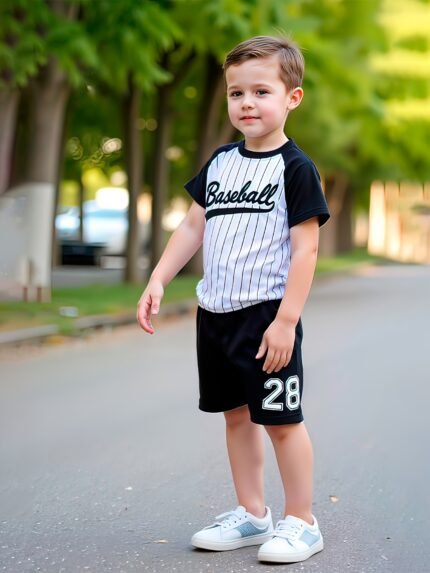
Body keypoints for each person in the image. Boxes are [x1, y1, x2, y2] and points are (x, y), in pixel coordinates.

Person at [137, 35, 330, 564]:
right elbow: (192, 225)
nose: (247, 103)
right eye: (236, 93)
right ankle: (252, 514)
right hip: (216, 313)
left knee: (281, 421)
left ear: (292, 98)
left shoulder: (296, 168)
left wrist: (286, 320)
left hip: (266, 316)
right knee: (236, 417)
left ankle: (302, 522)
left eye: (261, 92)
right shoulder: (221, 162)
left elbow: (307, 249)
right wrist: (158, 278)